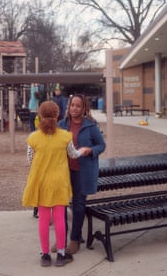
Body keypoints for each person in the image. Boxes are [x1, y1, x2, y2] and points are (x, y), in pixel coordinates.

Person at [22, 101, 91, 267]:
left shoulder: (33, 138)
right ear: (57, 116)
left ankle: (45, 255)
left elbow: (30, 160)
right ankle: (61, 254)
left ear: (39, 116)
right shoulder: (65, 136)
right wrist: (83, 150)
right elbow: (73, 155)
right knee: (60, 219)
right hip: (60, 182)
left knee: (44, 220)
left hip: (41, 183)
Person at [57, 94, 106, 255]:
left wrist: (90, 150)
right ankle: (61, 240)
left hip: (82, 172)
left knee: (78, 205)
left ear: (84, 108)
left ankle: (75, 239)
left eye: (78, 105)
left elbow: (101, 145)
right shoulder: (61, 124)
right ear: (68, 106)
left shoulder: (90, 126)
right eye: (72, 105)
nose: (74, 108)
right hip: (63, 171)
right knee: (60, 205)